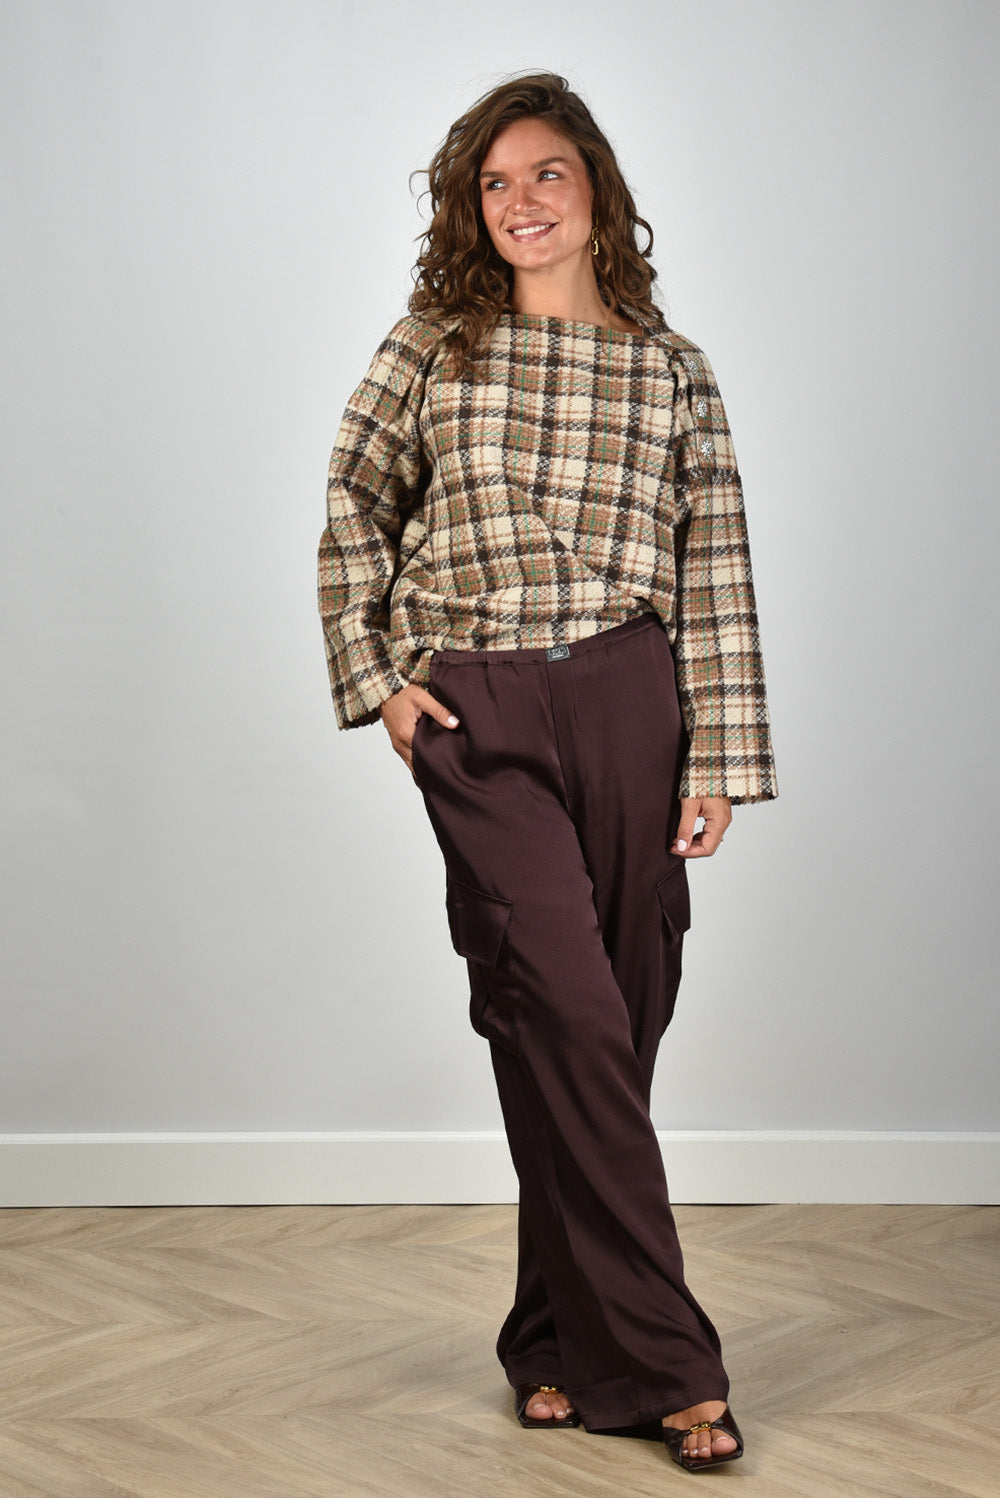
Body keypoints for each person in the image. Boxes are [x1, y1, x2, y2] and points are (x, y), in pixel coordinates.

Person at [317, 71, 776, 1473]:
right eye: (494, 183)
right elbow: (352, 502)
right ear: (474, 209)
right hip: (482, 703)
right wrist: (380, 683)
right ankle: (670, 1364)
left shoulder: (673, 367)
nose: (521, 202)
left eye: (547, 174)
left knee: (610, 1021)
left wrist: (722, 752)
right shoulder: (433, 347)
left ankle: (549, 1337)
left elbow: (714, 560)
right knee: (567, 1008)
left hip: (634, 696)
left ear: (597, 193)